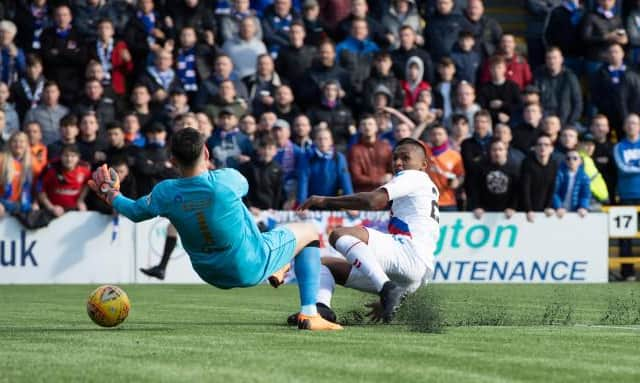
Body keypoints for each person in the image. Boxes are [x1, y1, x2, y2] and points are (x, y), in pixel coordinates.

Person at [89, 127, 343, 330]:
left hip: (209, 273)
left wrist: (111, 194)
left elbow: (133, 212)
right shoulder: (227, 179)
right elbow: (243, 187)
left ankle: (279, 264)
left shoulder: (165, 192)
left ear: (172, 160)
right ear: (207, 154)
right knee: (308, 230)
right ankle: (310, 314)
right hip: (248, 266)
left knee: (243, 220)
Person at [296, 137, 439, 323]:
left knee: (339, 234)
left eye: (405, 158)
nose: (398, 163)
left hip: (408, 253)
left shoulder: (414, 176)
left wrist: (325, 200)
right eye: (395, 158)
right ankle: (323, 310)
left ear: (423, 165)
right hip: (415, 277)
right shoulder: (427, 187)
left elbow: (373, 201)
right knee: (323, 264)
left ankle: (386, 288)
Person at [613, 113, 640, 280]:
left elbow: (629, 167)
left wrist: (633, 166)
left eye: (635, 123)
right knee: (626, 236)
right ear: (624, 127)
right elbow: (623, 168)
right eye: (629, 123)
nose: (632, 126)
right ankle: (627, 272)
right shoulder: (618, 147)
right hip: (626, 195)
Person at [297, 127, 353, 204]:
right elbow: (303, 181)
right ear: (315, 141)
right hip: (312, 203)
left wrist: (351, 204)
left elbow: (345, 181)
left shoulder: (339, 158)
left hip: (333, 202)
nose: (323, 142)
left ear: (331, 141)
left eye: (326, 139)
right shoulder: (307, 157)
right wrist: (302, 203)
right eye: (320, 139)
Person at [468, 139, 519, 219]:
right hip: (484, 211)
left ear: (506, 151)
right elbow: (475, 188)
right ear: (490, 152)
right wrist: (477, 206)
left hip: (507, 212)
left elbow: (517, 191)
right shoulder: (481, 167)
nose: (497, 153)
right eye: (494, 150)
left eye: (500, 150)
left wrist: (513, 207)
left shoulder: (514, 168)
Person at [38, 143, 91, 218]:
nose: (69, 159)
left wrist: (80, 201)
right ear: (61, 157)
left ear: (78, 158)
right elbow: (40, 190)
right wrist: (51, 207)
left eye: (73, 156)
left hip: (74, 209)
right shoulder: (50, 169)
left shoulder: (84, 170)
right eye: (66, 155)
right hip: (53, 210)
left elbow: (87, 184)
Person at [534, 47, 583, 128]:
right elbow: (535, 99)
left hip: (566, 121)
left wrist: (570, 122)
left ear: (561, 59)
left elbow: (578, 103)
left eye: (555, 58)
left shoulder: (570, 77)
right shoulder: (539, 76)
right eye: (549, 58)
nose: (552, 61)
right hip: (543, 121)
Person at [348, 115, 393, 193]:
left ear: (376, 127)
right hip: (365, 194)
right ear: (360, 129)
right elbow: (356, 177)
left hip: (385, 192)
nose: (367, 127)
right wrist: (379, 180)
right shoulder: (354, 150)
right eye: (364, 124)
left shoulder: (386, 147)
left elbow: (393, 169)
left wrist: (390, 175)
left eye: (370, 124)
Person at [424, 124, 464, 211]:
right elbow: (410, 140)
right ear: (430, 136)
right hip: (427, 202)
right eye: (434, 134)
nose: (437, 137)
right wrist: (425, 122)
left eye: (440, 134)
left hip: (448, 202)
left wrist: (457, 182)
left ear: (446, 136)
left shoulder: (455, 155)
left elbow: (460, 175)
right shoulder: (424, 152)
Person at [239, 135, 284, 211]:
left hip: (270, 210)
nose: (266, 151)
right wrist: (249, 206)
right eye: (264, 148)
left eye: (270, 149)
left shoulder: (278, 169)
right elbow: (243, 189)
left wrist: (274, 208)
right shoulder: (249, 167)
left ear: (275, 151)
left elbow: (278, 192)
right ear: (258, 150)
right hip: (253, 209)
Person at [520, 133, 558, 222]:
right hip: (525, 210)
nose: (542, 147)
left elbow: (552, 187)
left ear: (551, 149)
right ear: (535, 148)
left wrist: (548, 206)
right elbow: (525, 188)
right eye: (539, 144)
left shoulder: (554, 164)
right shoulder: (527, 163)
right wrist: (528, 209)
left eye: (546, 145)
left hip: (544, 209)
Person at [0, 132, 37, 218]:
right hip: (4, 204)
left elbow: (38, 187)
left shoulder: (32, 163)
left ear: (27, 144)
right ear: (9, 144)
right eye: (14, 141)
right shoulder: (2, 159)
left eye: (21, 141)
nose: (18, 144)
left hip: (24, 205)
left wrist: (36, 202)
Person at [552, 148, 591, 218]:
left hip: (575, 211)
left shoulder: (584, 177)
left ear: (580, 161)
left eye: (575, 158)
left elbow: (585, 195)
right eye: (568, 158)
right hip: (559, 211)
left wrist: (583, 207)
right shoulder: (559, 175)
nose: (571, 161)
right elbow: (554, 192)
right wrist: (558, 207)